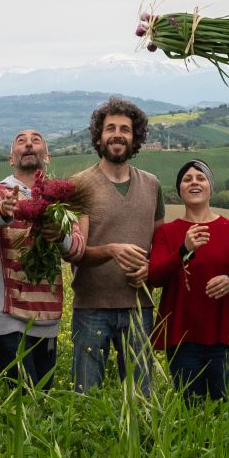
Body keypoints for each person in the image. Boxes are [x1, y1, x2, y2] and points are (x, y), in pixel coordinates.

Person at [0, 129, 87, 386]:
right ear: (12, 159)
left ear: (48, 157)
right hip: (6, 316)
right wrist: (2, 210)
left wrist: (59, 234)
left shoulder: (59, 201)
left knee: (40, 402)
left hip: (46, 316)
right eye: (21, 141)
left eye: (36, 140)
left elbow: (77, 249)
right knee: (22, 396)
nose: (29, 144)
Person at [146, 159, 229, 402]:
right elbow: (155, 275)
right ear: (179, 190)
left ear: (210, 187)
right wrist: (184, 250)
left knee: (226, 410)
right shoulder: (167, 233)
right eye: (187, 179)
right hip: (183, 340)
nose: (194, 182)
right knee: (189, 409)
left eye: (200, 178)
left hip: (228, 337)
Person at [69, 97, 164, 394]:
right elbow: (76, 252)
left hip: (140, 306)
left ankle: (141, 443)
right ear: (99, 136)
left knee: (141, 396)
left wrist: (151, 268)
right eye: (110, 128)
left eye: (125, 128)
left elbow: (161, 243)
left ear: (135, 137)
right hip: (91, 307)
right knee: (86, 395)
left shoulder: (152, 184)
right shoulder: (80, 184)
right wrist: (111, 250)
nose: (117, 134)